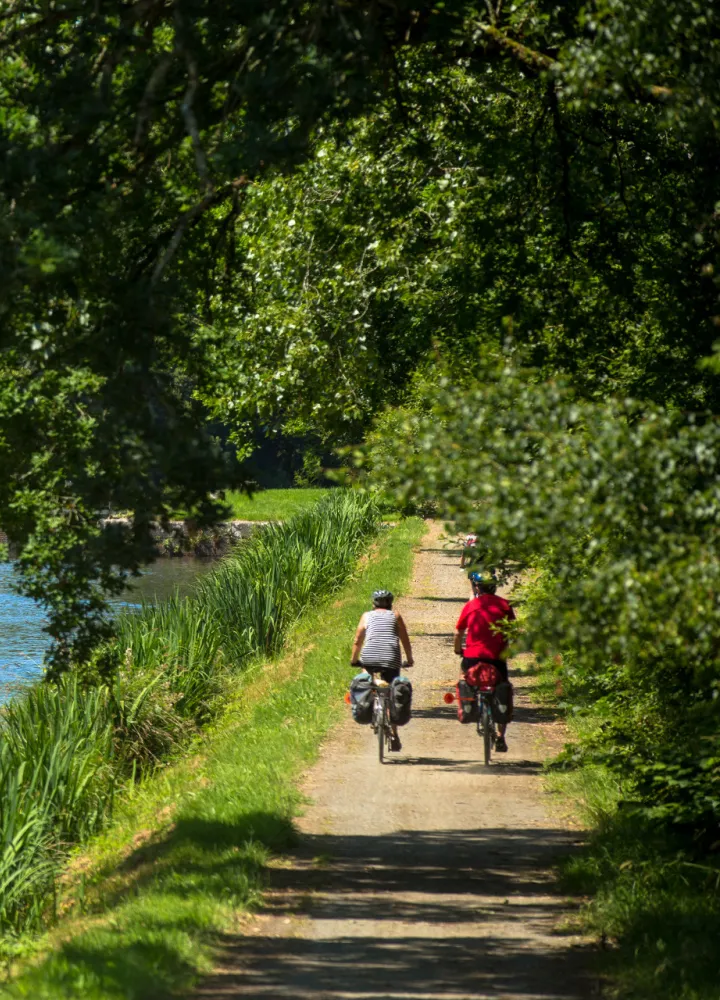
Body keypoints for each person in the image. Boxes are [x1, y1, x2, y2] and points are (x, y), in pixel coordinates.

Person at [454, 571, 515, 752]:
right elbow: (512, 630)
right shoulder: (504, 605)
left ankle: (467, 704)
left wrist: (458, 650)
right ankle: (501, 737)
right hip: (497, 657)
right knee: (502, 684)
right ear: (494, 586)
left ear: (477, 587)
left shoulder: (472, 605)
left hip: (473, 656)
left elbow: (458, 633)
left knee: (464, 677)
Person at [351, 589, 413, 751]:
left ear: (373, 603)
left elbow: (358, 639)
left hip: (369, 657)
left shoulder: (366, 616)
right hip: (391, 658)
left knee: (366, 678)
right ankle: (393, 734)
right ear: (391, 604)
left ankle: (367, 703)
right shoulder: (396, 616)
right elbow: (404, 639)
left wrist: (354, 659)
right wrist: (409, 659)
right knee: (392, 690)